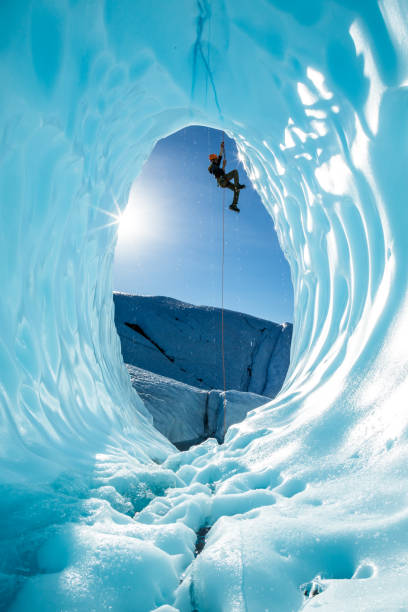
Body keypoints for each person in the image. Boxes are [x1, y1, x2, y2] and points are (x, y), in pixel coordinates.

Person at [208, 141, 245, 212]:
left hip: (223, 181)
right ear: (213, 160)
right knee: (235, 172)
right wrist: (224, 166)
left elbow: (220, 156)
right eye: (215, 159)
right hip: (222, 180)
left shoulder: (215, 164)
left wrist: (221, 147)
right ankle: (237, 185)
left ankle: (233, 205)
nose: (216, 159)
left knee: (237, 190)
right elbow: (221, 173)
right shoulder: (213, 166)